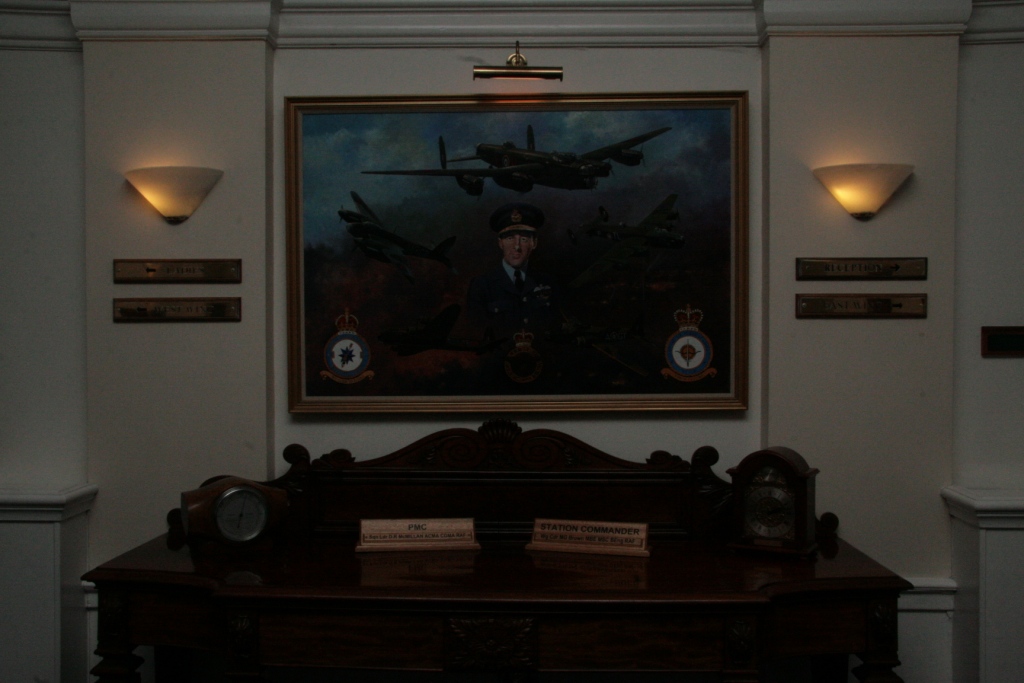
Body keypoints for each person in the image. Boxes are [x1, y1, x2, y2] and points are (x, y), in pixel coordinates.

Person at [466, 203, 561, 341]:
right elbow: (475, 333)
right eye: (510, 238)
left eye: (523, 239)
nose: (516, 246)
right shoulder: (481, 285)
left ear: (534, 243)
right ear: (500, 243)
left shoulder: (549, 283)